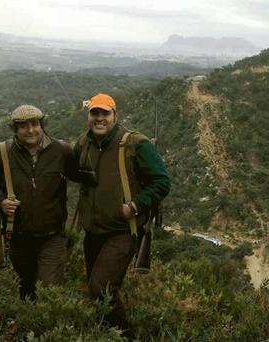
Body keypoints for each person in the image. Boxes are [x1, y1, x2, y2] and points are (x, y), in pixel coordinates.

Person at [73, 93, 171, 334]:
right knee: (97, 290)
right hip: (93, 231)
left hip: (122, 231)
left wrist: (134, 205)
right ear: (88, 116)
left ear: (115, 115)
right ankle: (105, 333)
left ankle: (125, 335)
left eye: (104, 113)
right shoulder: (83, 144)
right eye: (94, 113)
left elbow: (161, 182)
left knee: (101, 287)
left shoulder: (135, 144)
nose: (99, 118)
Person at [0, 104, 75, 301]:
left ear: (42, 125)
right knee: (26, 287)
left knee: (50, 289)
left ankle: (52, 330)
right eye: (23, 126)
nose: (30, 130)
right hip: (18, 236)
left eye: (34, 124)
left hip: (53, 235)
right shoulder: (3, 152)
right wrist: (1, 201)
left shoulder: (61, 150)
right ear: (15, 129)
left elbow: (84, 176)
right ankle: (30, 327)